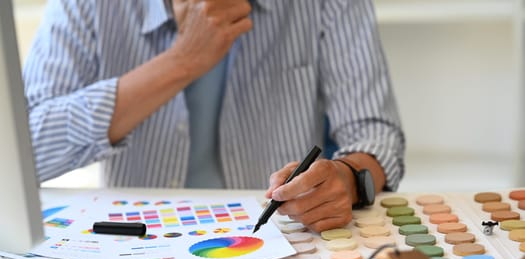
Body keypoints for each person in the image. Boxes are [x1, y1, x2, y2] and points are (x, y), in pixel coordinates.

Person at [23, 0, 405, 233]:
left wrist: (349, 178)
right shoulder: (85, 4)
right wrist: (182, 61)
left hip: (284, 240)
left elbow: (377, 134)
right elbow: (25, 152)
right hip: (138, 245)